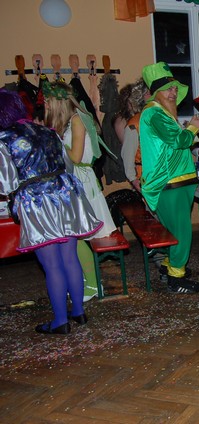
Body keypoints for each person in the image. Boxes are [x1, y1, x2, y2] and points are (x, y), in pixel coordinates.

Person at [0, 88, 103, 334]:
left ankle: (60, 321)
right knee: (70, 258)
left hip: (38, 202)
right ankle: (78, 311)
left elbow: (6, 183)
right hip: (66, 195)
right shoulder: (47, 131)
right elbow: (67, 164)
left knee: (52, 265)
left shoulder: (4, 139)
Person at [43, 81, 118, 302]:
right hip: (73, 181)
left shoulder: (77, 119)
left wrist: (52, 141)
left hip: (81, 182)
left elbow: (75, 157)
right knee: (73, 236)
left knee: (75, 236)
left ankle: (93, 284)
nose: (45, 105)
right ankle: (85, 280)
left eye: (47, 101)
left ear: (58, 101)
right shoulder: (68, 121)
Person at [139, 62, 199, 292]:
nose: (174, 92)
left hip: (175, 182)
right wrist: (193, 128)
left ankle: (170, 266)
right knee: (181, 231)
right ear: (156, 92)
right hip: (170, 182)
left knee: (174, 230)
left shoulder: (162, 114)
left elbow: (172, 145)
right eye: (168, 88)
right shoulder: (155, 113)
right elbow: (178, 141)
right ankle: (177, 278)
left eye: (175, 88)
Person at [120, 79, 150, 192]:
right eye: (148, 93)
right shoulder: (135, 124)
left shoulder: (163, 119)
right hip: (146, 177)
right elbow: (127, 154)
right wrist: (133, 179)